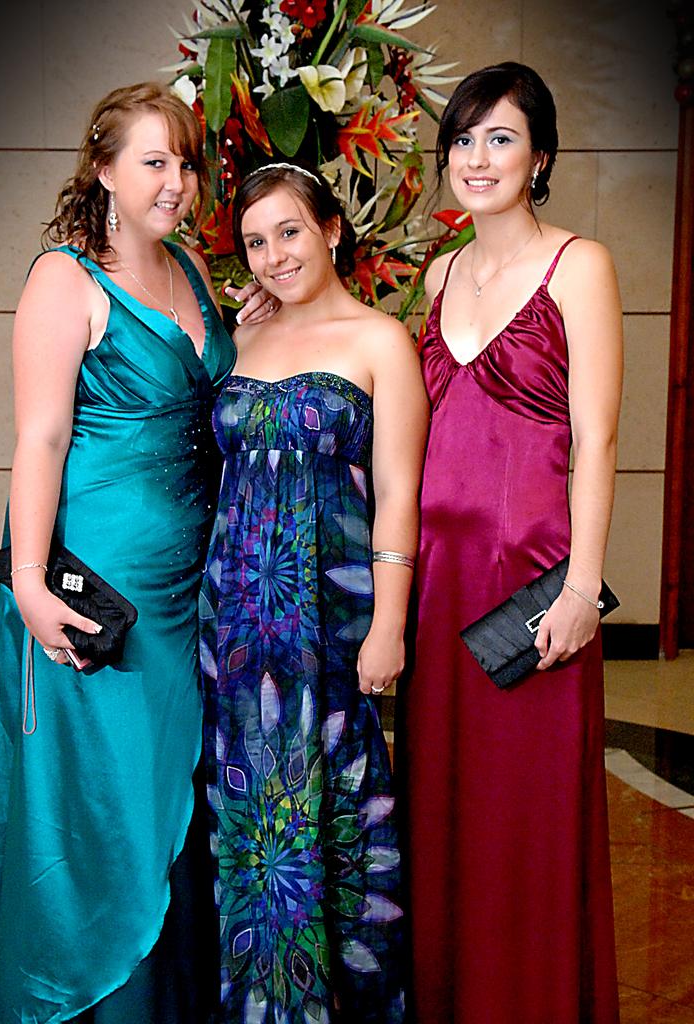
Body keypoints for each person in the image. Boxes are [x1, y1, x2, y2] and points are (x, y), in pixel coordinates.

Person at [0, 82, 272, 1024]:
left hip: (193, 584)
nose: (176, 181)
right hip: (105, 591)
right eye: (153, 161)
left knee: (175, 792)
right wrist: (27, 586)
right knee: (106, 804)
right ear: (102, 170)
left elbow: (206, 405)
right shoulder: (64, 278)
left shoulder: (188, 268)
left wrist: (251, 333)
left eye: (185, 162)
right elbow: (42, 440)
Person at [397, 62, 623, 1023]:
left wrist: (581, 589)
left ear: (540, 157)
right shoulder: (439, 273)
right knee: (445, 814)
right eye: (463, 138)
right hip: (438, 588)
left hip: (532, 591)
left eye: (500, 138)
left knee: (528, 822)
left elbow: (600, 436)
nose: (477, 157)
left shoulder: (583, 264)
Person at [199, 162, 429, 1023]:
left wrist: (390, 626)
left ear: (332, 229)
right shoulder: (240, 341)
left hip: (330, 624)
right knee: (250, 833)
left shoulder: (380, 341)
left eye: (288, 232)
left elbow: (399, 491)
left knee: (336, 828)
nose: (272, 255)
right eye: (254, 242)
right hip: (234, 630)